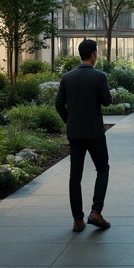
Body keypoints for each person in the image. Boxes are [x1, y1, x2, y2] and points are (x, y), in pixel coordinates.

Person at [56, 38, 112, 232]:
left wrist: (69, 120)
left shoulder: (67, 77)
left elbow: (58, 104)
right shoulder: (99, 76)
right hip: (94, 132)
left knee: (75, 176)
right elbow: (106, 102)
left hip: (75, 133)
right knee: (102, 169)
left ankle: (78, 220)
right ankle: (96, 211)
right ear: (94, 54)